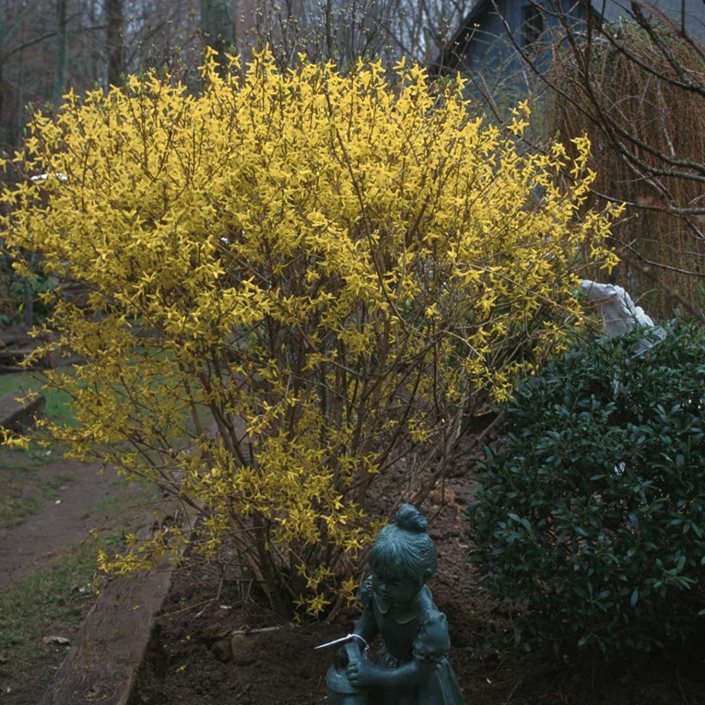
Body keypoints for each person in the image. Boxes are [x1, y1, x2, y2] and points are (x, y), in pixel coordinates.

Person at [345, 504, 464, 705]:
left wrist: (373, 675)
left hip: (422, 686)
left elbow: (420, 671)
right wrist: (354, 643)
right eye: (378, 577)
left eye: (393, 582)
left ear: (422, 578)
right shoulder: (379, 591)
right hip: (389, 668)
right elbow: (369, 622)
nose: (382, 587)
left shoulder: (430, 623)